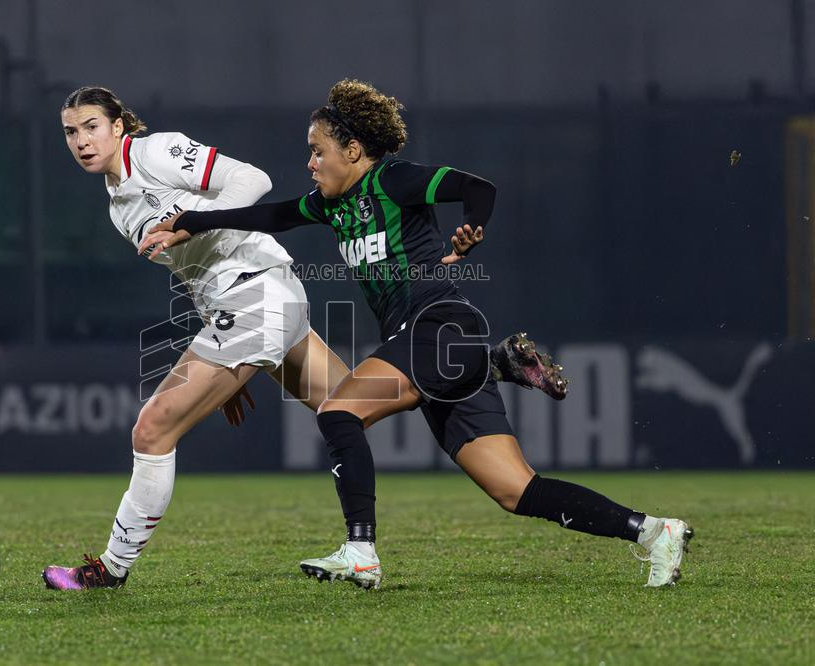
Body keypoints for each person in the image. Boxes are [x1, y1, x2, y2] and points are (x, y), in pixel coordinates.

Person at [141, 79, 692, 589]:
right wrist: (194, 221)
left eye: (318, 150)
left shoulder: (391, 180)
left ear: (353, 150)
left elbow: (476, 187)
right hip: (440, 348)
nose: (310, 162)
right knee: (515, 490)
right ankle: (653, 531)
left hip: (437, 326)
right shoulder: (333, 206)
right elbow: (274, 216)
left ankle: (361, 552)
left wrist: (473, 226)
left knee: (338, 412)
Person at [42, 86, 564, 591]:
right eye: (70, 132)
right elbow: (196, 273)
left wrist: (193, 225)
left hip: (257, 299)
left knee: (151, 431)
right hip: (250, 307)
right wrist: (227, 357)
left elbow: (251, 180)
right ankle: (493, 365)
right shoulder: (118, 205)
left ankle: (110, 568)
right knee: (352, 403)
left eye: (92, 127)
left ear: (117, 126)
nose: (82, 140)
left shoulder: (155, 152)